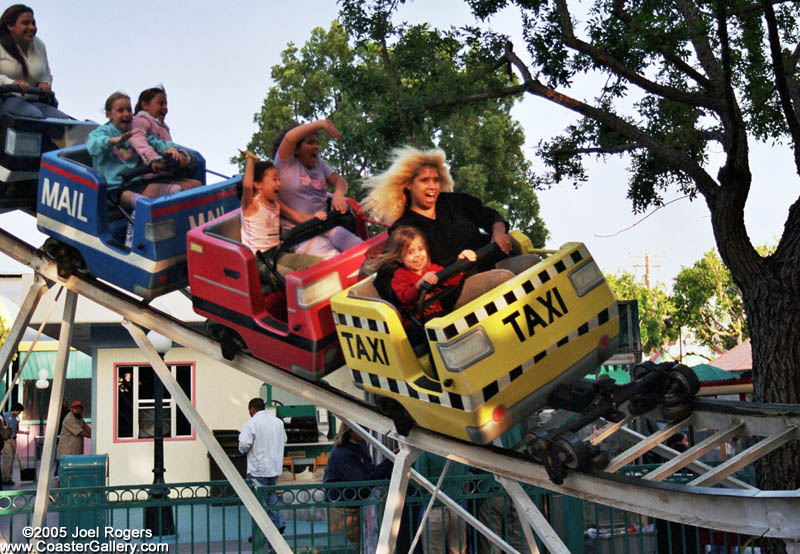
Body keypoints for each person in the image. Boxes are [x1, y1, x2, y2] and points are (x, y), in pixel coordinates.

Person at [363, 146, 538, 277]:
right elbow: (392, 270)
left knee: (532, 263)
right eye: (425, 180)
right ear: (408, 185)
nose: (432, 186)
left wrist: (499, 233)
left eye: (436, 180)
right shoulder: (403, 228)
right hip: (458, 285)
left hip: (494, 263)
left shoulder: (454, 201)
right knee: (501, 279)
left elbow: (491, 216)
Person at [367, 226, 476, 350]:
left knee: (460, 322)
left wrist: (460, 263)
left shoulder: (432, 268)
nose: (417, 255)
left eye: (420, 249)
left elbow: (451, 281)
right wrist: (419, 285)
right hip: (416, 323)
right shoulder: (400, 275)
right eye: (410, 252)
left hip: (437, 317)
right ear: (399, 258)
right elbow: (405, 298)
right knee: (435, 333)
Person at [271, 118, 363, 258]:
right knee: (333, 257)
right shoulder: (286, 165)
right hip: (300, 234)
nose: (316, 147)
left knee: (359, 247)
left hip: (324, 226)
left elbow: (340, 181)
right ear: (296, 149)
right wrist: (321, 124)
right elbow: (289, 138)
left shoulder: (319, 164)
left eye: (317, 143)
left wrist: (338, 195)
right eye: (310, 143)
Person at [239, 150, 322, 292]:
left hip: (277, 254)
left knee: (319, 264)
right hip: (258, 261)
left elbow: (297, 216)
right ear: (258, 185)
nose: (279, 184)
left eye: (279, 179)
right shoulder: (251, 205)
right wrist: (250, 160)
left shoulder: (276, 204)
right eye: (274, 179)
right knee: (292, 280)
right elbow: (247, 186)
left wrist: (317, 216)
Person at [323, 422, 393, 553]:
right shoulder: (343, 453)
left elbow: (368, 472)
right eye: (363, 428)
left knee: (354, 545)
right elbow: (363, 481)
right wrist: (389, 462)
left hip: (351, 504)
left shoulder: (359, 445)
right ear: (351, 431)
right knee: (347, 547)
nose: (368, 430)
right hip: (343, 507)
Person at [0, 4, 67, 118]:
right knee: (33, 116)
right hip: (7, 99)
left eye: (33, 23)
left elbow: (47, 74)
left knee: (61, 119)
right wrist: (11, 83)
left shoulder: (39, 45)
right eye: (25, 23)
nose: (31, 27)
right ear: (10, 26)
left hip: (34, 100)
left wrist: (45, 83)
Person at [129, 86, 201, 190]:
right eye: (160, 103)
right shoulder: (140, 120)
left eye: (166, 104)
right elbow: (138, 139)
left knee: (196, 185)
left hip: (165, 174)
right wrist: (153, 159)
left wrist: (176, 153)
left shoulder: (163, 128)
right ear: (145, 105)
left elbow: (168, 145)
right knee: (183, 189)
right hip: (148, 175)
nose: (165, 107)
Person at [238, 397, 287, 542]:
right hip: (274, 467)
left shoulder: (251, 424)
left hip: (257, 469)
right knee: (271, 496)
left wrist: (242, 449)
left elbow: (244, 444)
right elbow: (284, 439)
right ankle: (279, 522)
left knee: (257, 502)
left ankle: (266, 531)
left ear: (252, 409)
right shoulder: (278, 422)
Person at [55, 400, 90, 467]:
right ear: (71, 409)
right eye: (76, 408)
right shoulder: (69, 419)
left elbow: (86, 428)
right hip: (67, 453)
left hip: (75, 452)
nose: (78, 410)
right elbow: (81, 432)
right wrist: (93, 437)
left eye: (80, 408)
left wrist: (95, 434)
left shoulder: (79, 418)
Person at [1, 402, 28, 485]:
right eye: (19, 411)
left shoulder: (17, 418)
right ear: (15, 410)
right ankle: (5, 478)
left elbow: (16, 430)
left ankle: (9, 477)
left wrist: (24, 432)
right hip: (6, 439)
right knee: (8, 459)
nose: (19, 413)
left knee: (12, 459)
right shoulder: (5, 416)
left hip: (13, 438)